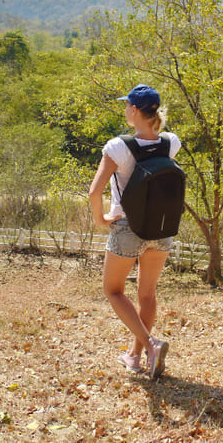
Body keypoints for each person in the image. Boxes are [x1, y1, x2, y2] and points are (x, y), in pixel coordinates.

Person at [89, 84, 181, 379]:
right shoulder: (171, 142)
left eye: (127, 105)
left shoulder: (117, 147)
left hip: (128, 228)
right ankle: (135, 356)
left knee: (113, 291)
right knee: (147, 294)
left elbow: (95, 191)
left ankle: (150, 344)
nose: (125, 109)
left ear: (134, 111)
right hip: (161, 228)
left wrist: (102, 219)